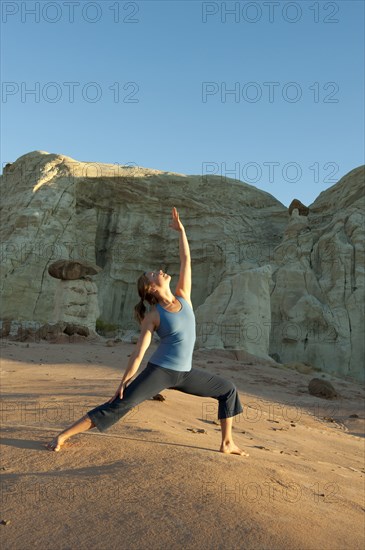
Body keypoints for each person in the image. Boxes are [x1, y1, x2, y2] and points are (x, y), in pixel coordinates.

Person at [46, 207, 249, 456]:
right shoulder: (153, 316)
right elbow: (138, 354)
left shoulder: (183, 297)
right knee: (119, 405)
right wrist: (123, 382)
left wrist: (181, 231)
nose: (160, 271)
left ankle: (227, 442)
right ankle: (63, 435)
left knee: (227, 389)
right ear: (151, 288)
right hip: (160, 372)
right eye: (153, 274)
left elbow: (186, 260)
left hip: (185, 374)